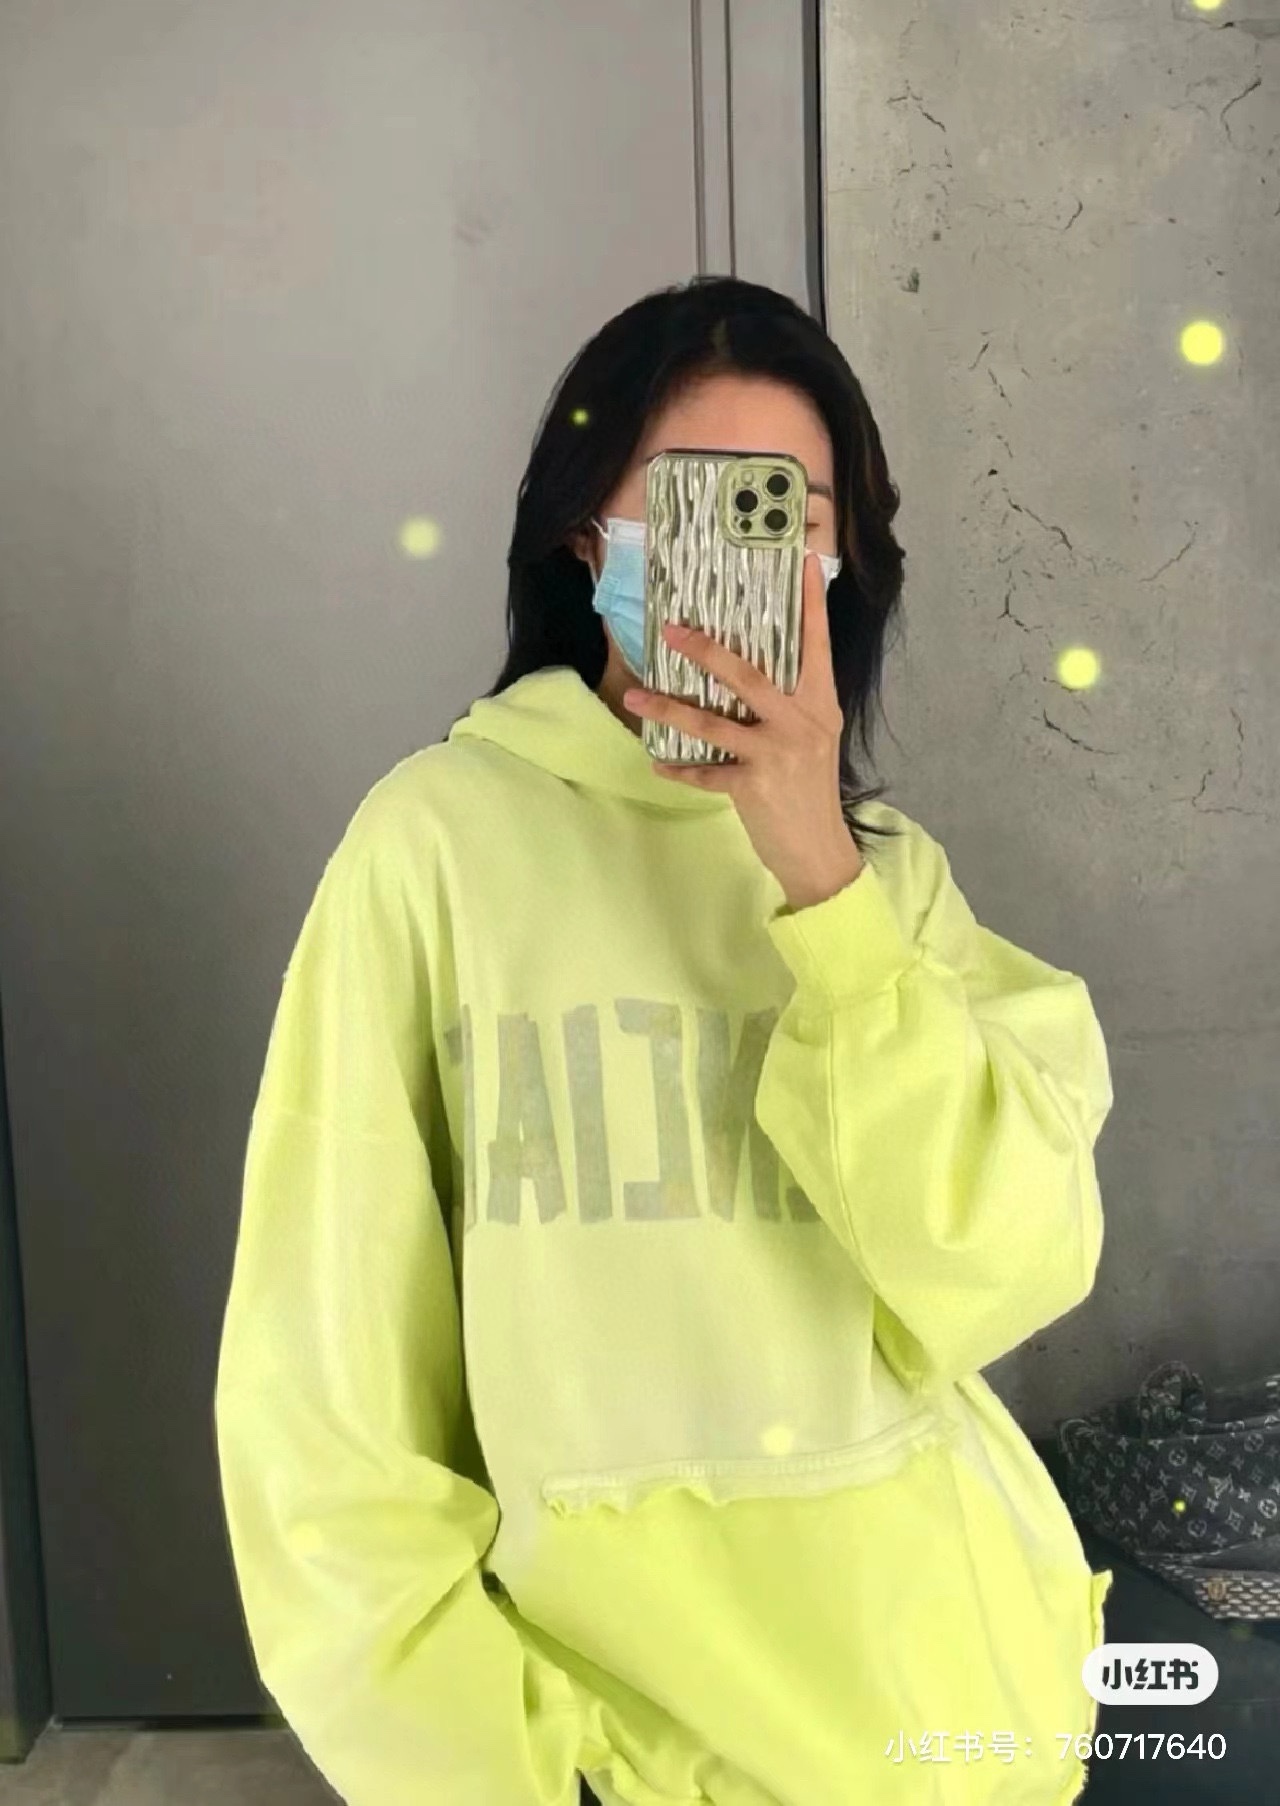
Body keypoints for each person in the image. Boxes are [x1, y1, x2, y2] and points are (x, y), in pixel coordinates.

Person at [214, 275, 1114, 1806]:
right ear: (592, 535)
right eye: (694, 499)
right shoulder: (434, 849)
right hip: (619, 1760)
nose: (745, 549)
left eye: (789, 512)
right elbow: (326, 1424)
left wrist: (821, 880)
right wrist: (515, 1774)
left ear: (839, 556)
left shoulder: (887, 882)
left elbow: (1007, 1272)